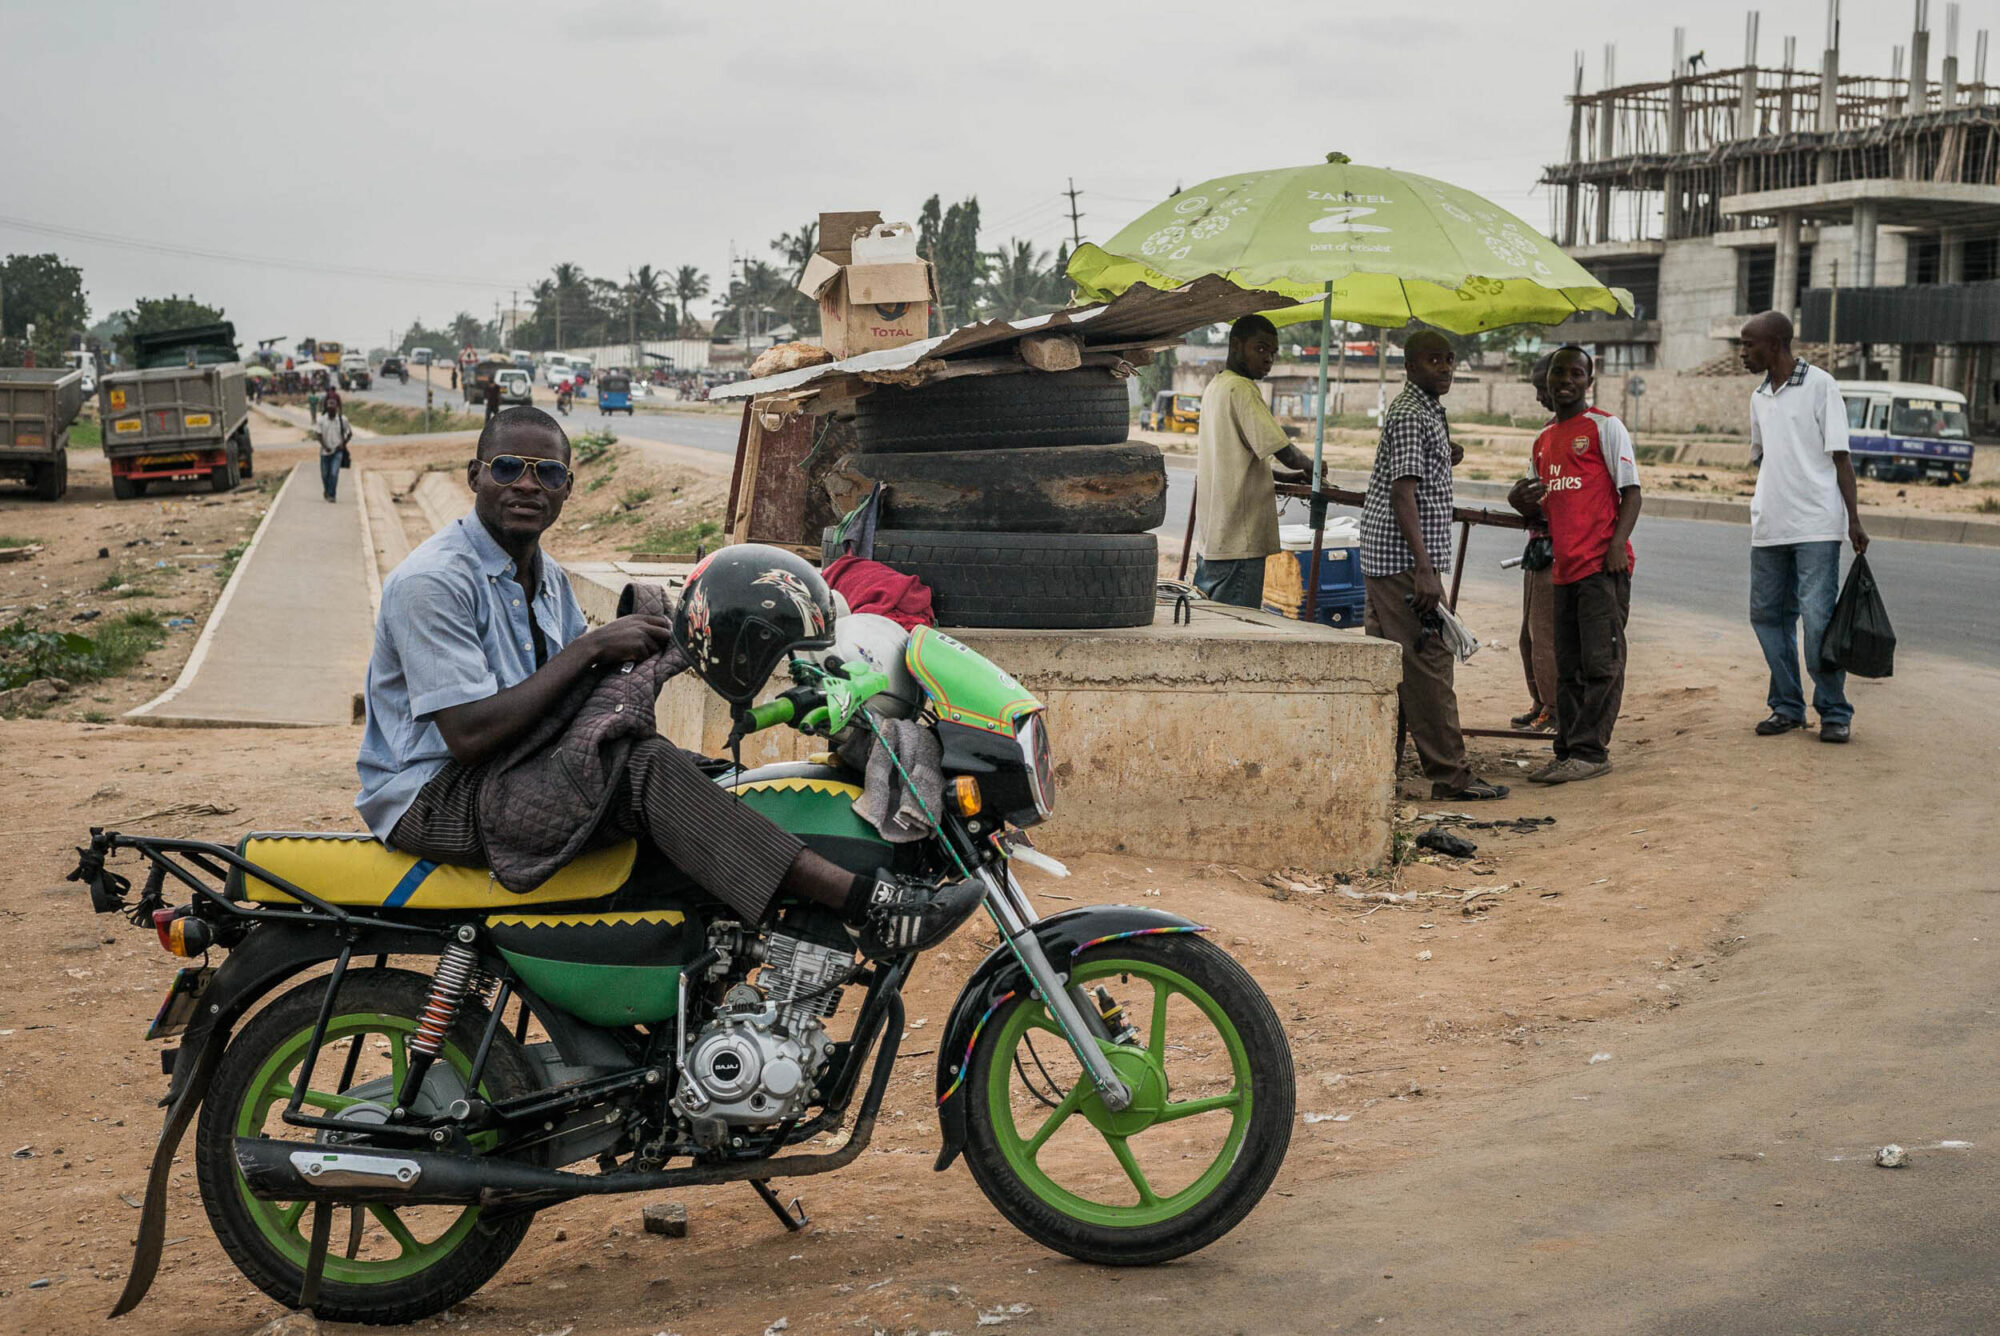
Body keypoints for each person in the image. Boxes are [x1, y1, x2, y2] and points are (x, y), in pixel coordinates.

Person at [354, 406, 978, 957]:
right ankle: (864, 904)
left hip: (509, 766)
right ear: (474, 476)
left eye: (546, 474)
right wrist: (593, 647)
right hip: (434, 795)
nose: (526, 485)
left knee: (705, 774)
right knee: (644, 770)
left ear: (567, 489)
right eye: (508, 468)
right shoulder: (433, 582)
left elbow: (568, 700)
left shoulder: (543, 574)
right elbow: (469, 733)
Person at [1359, 330, 1508, 801]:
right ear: (1409, 366)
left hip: (1391, 557)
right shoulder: (1408, 413)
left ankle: (1378, 767)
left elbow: (1417, 476)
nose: (1444, 367)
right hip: (1404, 561)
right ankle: (1450, 776)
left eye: (1449, 359)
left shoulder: (1426, 412)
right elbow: (1404, 492)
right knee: (1429, 661)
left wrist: (1447, 453)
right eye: (1433, 360)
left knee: (1390, 668)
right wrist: (1424, 568)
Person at [1738, 311, 1869, 743]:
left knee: (1817, 619)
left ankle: (1833, 710)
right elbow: (1763, 455)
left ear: (1775, 344)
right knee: (1768, 617)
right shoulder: (1759, 396)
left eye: (1749, 344)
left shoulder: (1821, 385)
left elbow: (1841, 457)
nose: (1743, 352)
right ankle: (1787, 707)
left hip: (1816, 523)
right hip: (1770, 525)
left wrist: (1853, 518)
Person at [1513, 345, 1642, 784]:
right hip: (1563, 570)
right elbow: (1540, 509)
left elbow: (1632, 493)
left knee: (1600, 662)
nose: (1565, 380)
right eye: (1558, 372)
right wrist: (1518, 501)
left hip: (1601, 570)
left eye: (1575, 372)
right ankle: (1566, 750)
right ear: (1547, 379)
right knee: (1567, 668)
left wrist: (1615, 546)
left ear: (1589, 380)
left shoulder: (1605, 428)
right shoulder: (1544, 440)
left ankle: (1591, 751)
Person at [1191, 314, 1314, 606]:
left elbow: (1235, 457)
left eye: (1273, 352)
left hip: (1213, 542)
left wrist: (1282, 478)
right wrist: (1313, 466)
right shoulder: (1242, 388)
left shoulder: (1216, 386)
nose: (1268, 358)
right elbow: (1284, 450)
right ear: (1236, 345)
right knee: (1235, 634)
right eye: (1260, 349)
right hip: (1238, 543)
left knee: (1211, 628)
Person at [1507, 354, 1560, 731]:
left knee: (1546, 636)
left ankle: (1555, 709)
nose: (1540, 396)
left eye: (1543, 387)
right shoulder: (1547, 433)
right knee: (1528, 635)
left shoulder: (1596, 430)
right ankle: (1541, 701)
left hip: (1560, 547)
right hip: (1538, 543)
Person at [316, 398, 352, 503]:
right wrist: (324, 446)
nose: (331, 406)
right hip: (324, 452)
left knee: (334, 473)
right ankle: (327, 490)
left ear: (337, 407)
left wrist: (343, 444)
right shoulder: (321, 420)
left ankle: (332, 495)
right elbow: (318, 435)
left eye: (333, 405)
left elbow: (349, 433)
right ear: (326, 407)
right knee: (324, 475)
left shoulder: (342, 420)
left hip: (337, 451)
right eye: (329, 404)